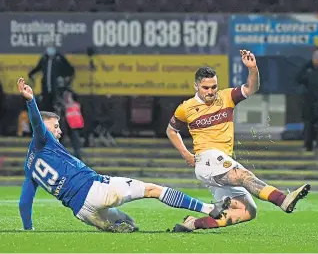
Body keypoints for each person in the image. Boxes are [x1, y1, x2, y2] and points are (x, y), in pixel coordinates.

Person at [16, 77, 230, 233]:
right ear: (44, 128)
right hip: (94, 188)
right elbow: (36, 122)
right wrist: (30, 101)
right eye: (55, 126)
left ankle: (112, 225)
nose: (59, 131)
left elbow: (24, 203)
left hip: (81, 211)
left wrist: (28, 229)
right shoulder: (42, 139)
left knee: (129, 223)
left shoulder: (29, 165)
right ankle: (210, 208)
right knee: (153, 190)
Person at [166, 50, 310, 232]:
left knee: (248, 211)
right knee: (242, 175)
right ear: (196, 86)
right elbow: (171, 130)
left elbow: (251, 88)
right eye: (206, 88)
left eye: (214, 87)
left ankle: (193, 223)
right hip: (208, 159)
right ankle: (282, 200)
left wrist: (253, 69)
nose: (211, 92)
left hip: (220, 163)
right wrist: (186, 154)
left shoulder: (226, 97)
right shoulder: (185, 108)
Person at [28, 43, 75, 112]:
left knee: (57, 107)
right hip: (46, 88)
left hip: (57, 88)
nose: (50, 49)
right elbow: (38, 68)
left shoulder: (59, 58)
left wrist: (64, 78)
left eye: (51, 47)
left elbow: (70, 70)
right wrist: (30, 73)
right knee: (46, 107)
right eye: (48, 47)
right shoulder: (44, 58)